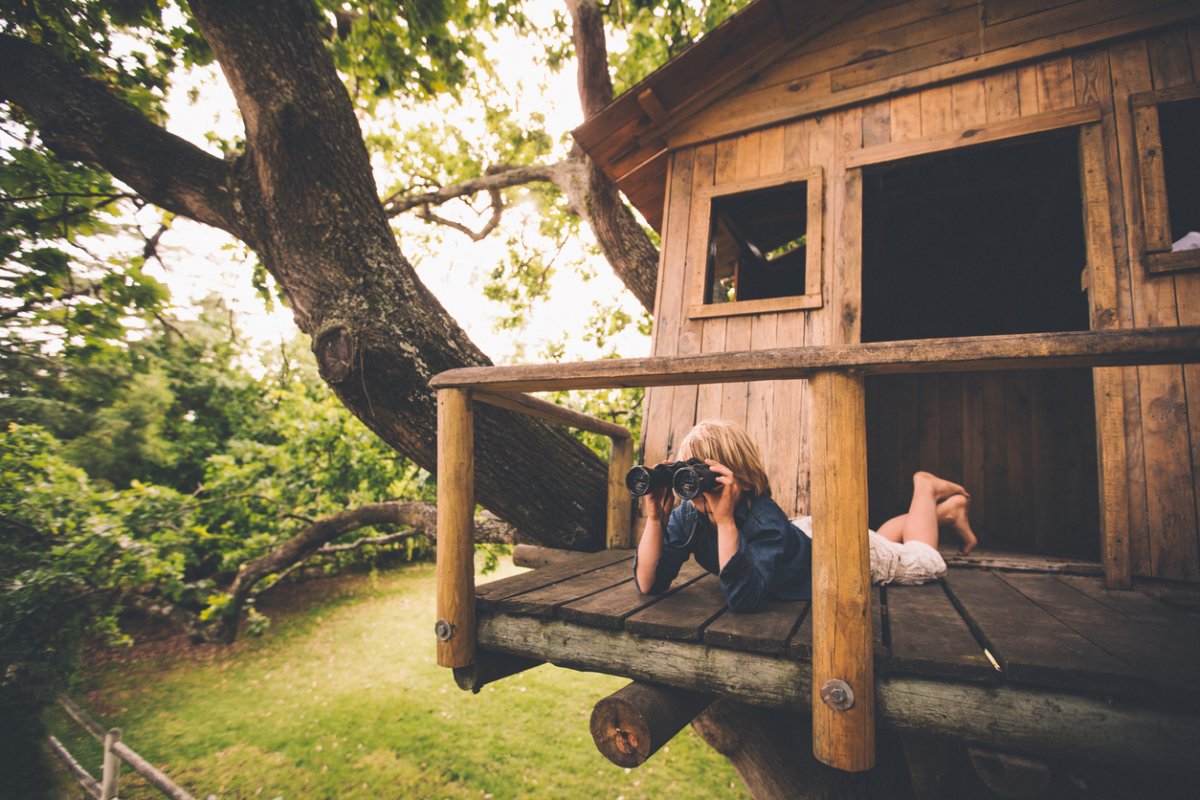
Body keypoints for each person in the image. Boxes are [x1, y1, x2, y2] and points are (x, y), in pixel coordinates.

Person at [633, 419, 978, 613]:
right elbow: (649, 584)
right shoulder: (689, 517)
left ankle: (926, 489)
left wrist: (724, 522)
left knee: (927, 560)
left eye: (701, 476)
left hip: (836, 554)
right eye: (685, 477)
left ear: (736, 477)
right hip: (799, 537)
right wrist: (655, 520)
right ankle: (944, 514)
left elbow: (743, 600)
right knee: (882, 540)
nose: (693, 489)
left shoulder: (763, 520)